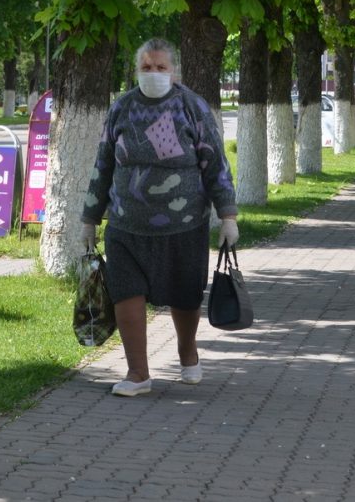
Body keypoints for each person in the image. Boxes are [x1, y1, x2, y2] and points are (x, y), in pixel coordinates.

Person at [80, 38, 238, 397]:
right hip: (125, 225)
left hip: (184, 225)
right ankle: (138, 373)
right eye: (146, 67)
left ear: (174, 71)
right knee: (125, 293)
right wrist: (89, 218)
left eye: (160, 67)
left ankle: (187, 351)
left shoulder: (190, 106)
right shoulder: (121, 108)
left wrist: (227, 216)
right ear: (136, 71)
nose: (153, 73)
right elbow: (103, 164)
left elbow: (215, 164)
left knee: (185, 295)